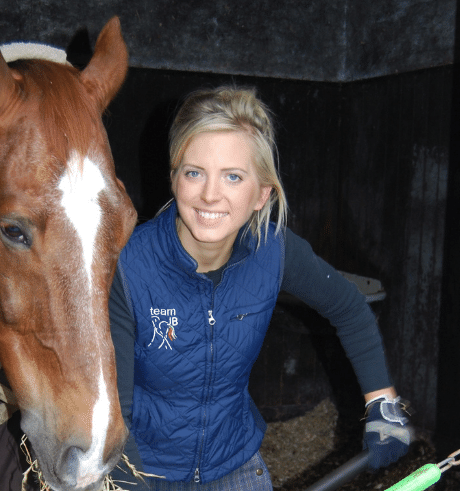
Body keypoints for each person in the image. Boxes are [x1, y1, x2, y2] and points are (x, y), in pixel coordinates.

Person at [109, 86, 412, 490]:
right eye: (194, 172)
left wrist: (383, 404)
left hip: (235, 464)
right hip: (145, 471)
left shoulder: (274, 251)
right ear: (174, 178)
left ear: (261, 194)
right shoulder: (127, 266)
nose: (210, 194)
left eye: (233, 177)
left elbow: (350, 309)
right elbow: (116, 413)